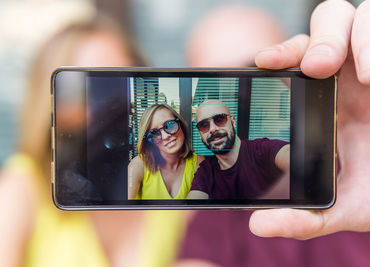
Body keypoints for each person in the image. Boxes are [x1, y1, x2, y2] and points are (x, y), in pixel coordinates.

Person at [175, 1, 370, 267]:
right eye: (216, 85)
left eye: (251, 75)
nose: (239, 95)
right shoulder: (214, 206)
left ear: (291, 71)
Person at [0, 17, 185, 267]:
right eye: (88, 90)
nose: (109, 108)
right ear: (50, 105)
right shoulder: (23, 186)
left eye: (120, 84)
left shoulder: (169, 182)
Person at [187, 99, 289, 199]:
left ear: (233, 122)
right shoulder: (206, 172)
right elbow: (191, 209)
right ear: (200, 135)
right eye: (204, 125)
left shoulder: (262, 150)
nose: (213, 129)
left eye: (219, 119)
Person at [127, 103, 204, 199]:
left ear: (181, 125)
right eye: (154, 134)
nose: (166, 136)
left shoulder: (199, 164)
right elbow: (122, 212)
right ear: (149, 142)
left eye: (169, 125)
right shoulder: (138, 165)